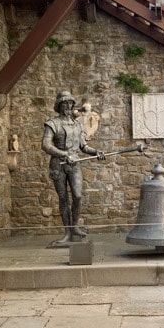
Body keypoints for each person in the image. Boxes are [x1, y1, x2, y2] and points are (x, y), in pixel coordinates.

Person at [42, 91, 105, 244]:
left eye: (70, 104)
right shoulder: (53, 123)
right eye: (65, 103)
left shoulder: (77, 124)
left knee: (77, 195)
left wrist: (96, 151)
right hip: (59, 164)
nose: (68, 106)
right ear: (59, 105)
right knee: (63, 198)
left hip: (75, 163)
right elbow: (45, 145)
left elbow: (83, 146)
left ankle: (75, 226)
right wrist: (63, 154)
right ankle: (67, 232)